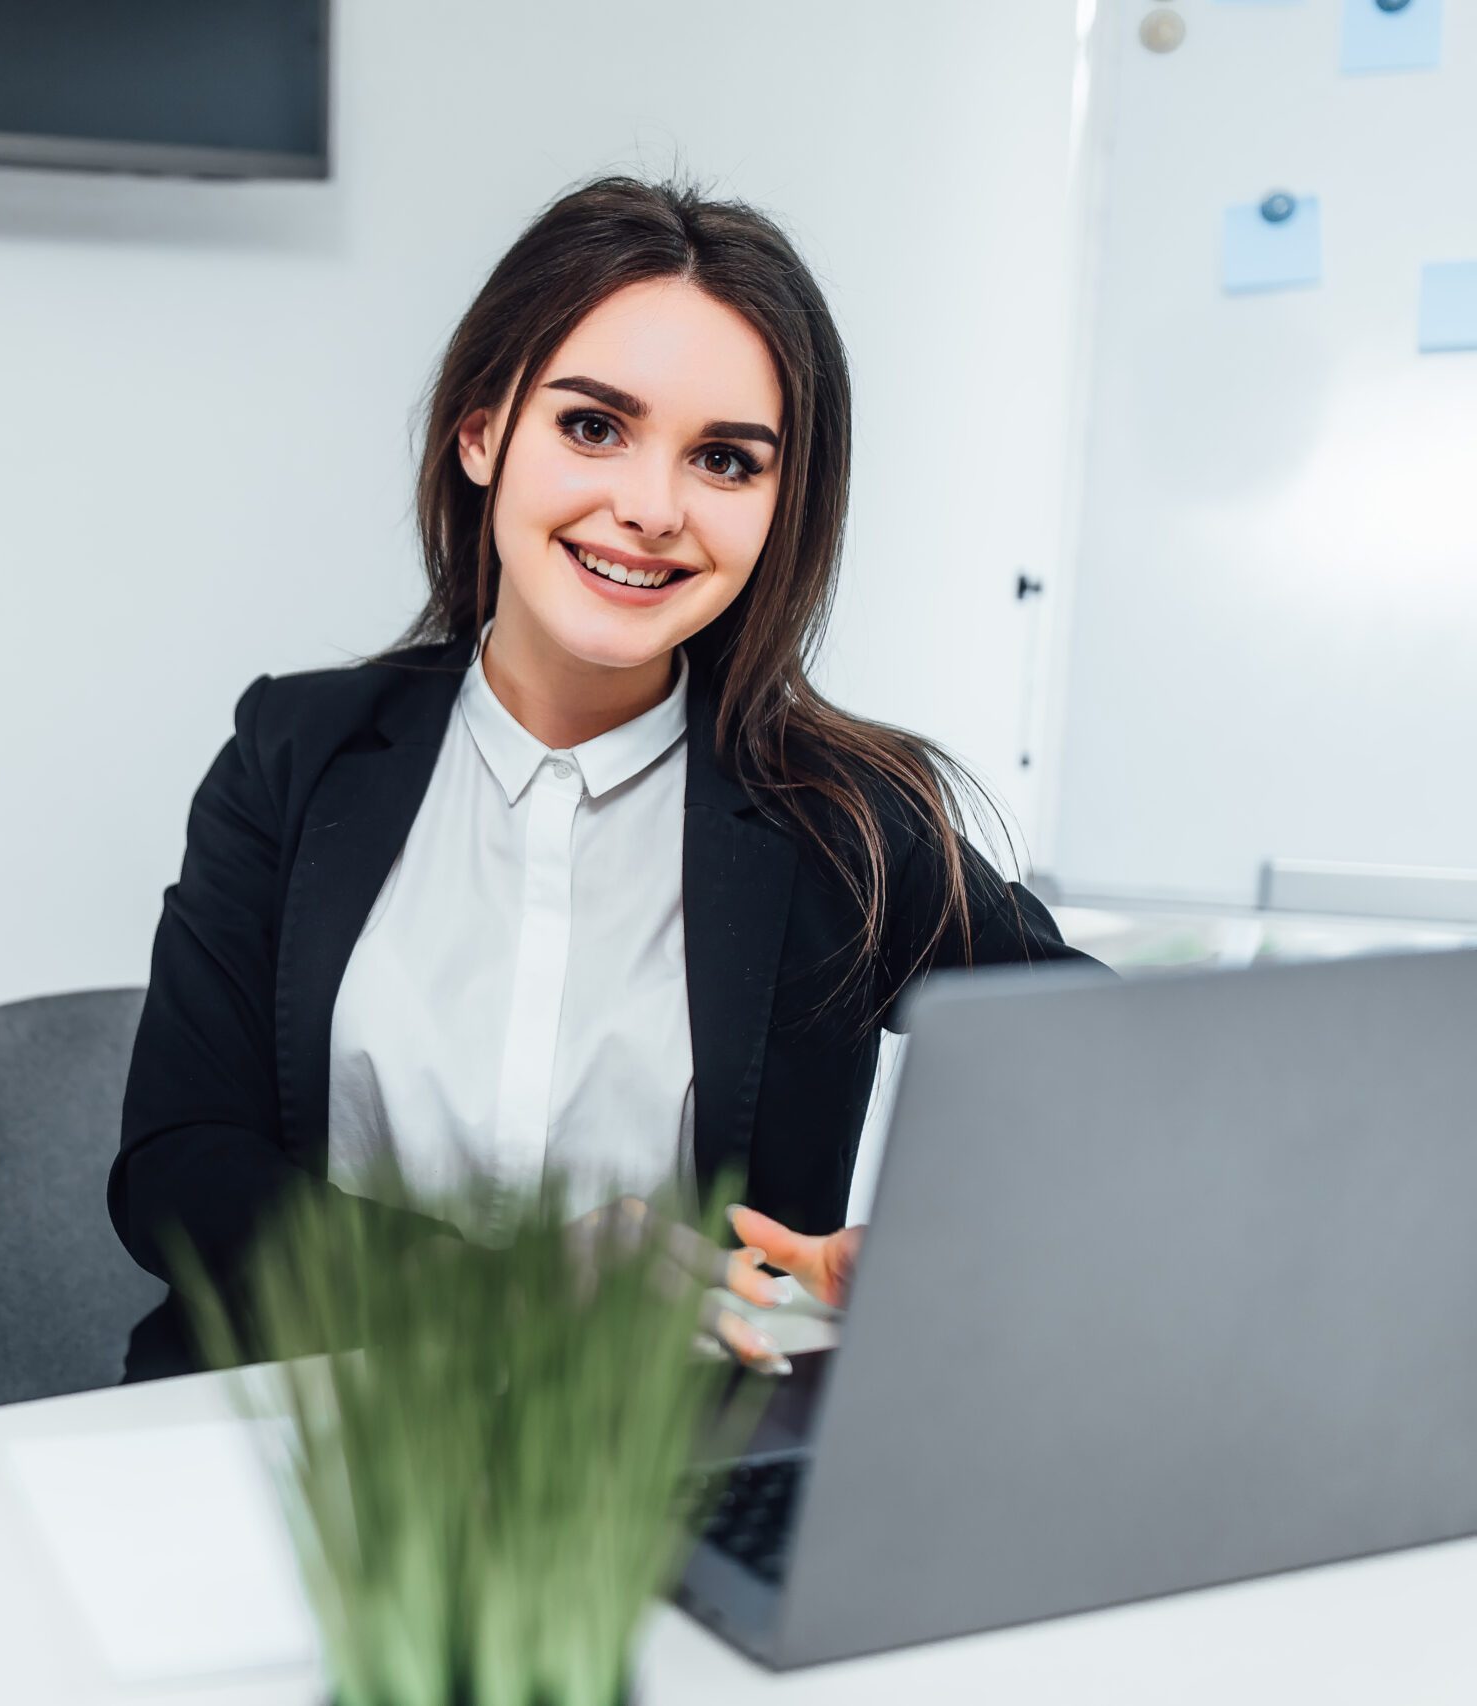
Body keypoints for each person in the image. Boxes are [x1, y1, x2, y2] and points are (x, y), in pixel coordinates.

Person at [105, 175, 1108, 1385]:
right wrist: (507, 1285)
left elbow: (1121, 1080)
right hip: (318, 1440)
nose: (649, 508)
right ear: (482, 433)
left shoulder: (843, 820)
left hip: (667, 1470)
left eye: (726, 460)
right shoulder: (296, 751)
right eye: (593, 427)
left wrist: (950, 1251)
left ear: (781, 504)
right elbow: (177, 1166)